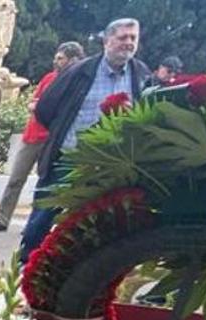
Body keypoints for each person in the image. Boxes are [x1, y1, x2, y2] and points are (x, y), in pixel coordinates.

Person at [19, 18, 149, 261]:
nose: (128, 43)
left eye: (133, 38)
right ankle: (24, 268)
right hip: (68, 160)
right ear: (107, 40)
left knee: (96, 227)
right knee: (43, 217)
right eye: (123, 37)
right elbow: (46, 108)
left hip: (110, 168)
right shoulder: (80, 71)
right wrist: (62, 136)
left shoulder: (141, 75)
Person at [0, 41, 85, 233]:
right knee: (15, 178)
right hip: (33, 136)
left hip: (53, 140)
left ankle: (34, 225)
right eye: (56, 58)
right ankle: (2, 218)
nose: (56, 62)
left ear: (73, 60)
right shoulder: (49, 78)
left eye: (60, 59)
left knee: (44, 183)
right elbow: (34, 103)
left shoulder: (79, 83)